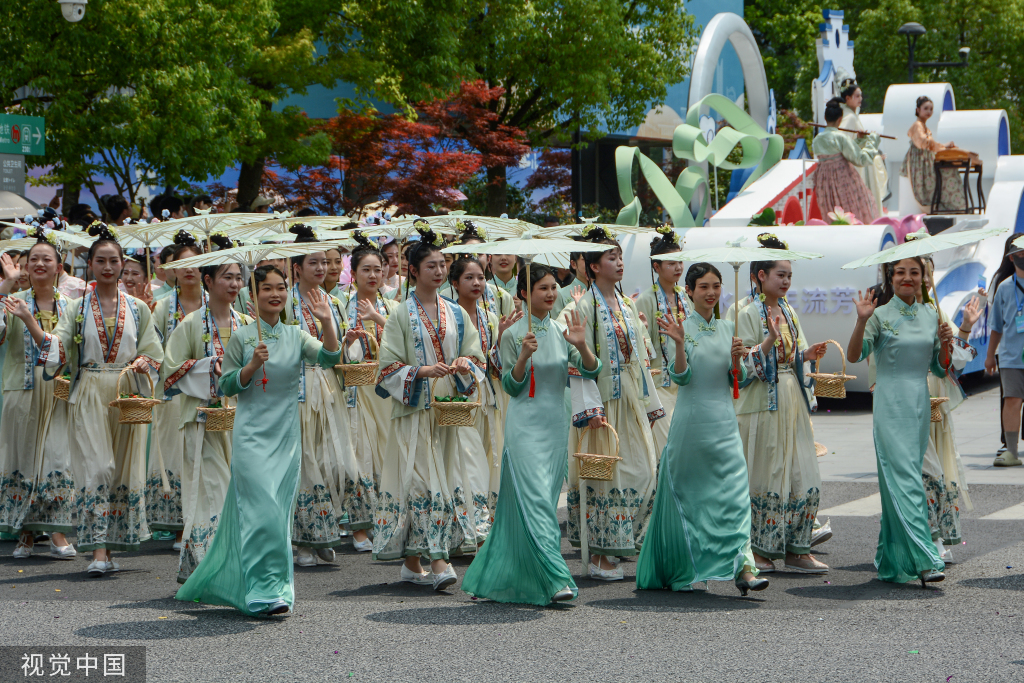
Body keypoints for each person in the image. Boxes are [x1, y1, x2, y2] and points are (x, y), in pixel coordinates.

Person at [176, 265, 340, 616]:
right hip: (250, 436)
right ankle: (260, 590)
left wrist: (326, 322)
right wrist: (250, 366)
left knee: (277, 516)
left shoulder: (296, 336)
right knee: (261, 513)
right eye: (266, 288)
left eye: (281, 287)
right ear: (255, 294)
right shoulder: (243, 337)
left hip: (286, 439)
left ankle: (274, 589)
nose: (275, 294)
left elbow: (329, 358)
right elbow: (227, 385)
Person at [461, 264, 600, 605]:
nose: (551, 294)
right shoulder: (512, 336)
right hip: (524, 427)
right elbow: (511, 385)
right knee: (537, 502)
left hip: (555, 426)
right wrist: (523, 355)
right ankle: (555, 578)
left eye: (554, 287)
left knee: (539, 501)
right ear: (525, 293)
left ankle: (498, 574)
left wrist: (581, 346)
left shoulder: (561, 330)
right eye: (543, 288)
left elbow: (591, 370)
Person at [36, 222, 164, 577]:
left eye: (114, 261)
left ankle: (110, 548)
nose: (108, 267)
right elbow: (58, 345)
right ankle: (96, 550)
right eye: (101, 261)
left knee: (123, 471)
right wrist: (34, 330)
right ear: (89, 264)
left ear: (123, 265)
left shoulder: (138, 308)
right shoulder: (76, 308)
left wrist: (143, 361)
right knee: (98, 469)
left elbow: (154, 351)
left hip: (126, 389)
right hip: (90, 389)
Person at [636, 263, 767, 595]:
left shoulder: (728, 328)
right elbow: (681, 377)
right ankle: (689, 567)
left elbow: (735, 380)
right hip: (692, 424)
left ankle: (744, 568)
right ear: (690, 291)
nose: (711, 292)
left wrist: (741, 359)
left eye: (717, 286)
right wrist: (679, 344)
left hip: (724, 423)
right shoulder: (680, 328)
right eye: (704, 287)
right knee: (694, 500)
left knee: (736, 496)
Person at [372, 222, 485, 591]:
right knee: (424, 484)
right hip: (415, 411)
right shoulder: (400, 315)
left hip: (447, 411)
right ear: (413, 271)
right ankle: (439, 561)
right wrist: (420, 370)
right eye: (431, 266)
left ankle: (411, 562)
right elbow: (385, 366)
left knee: (437, 482)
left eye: (442, 265)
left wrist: (466, 364)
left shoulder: (456, 313)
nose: (438, 271)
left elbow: (476, 354)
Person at [848, 257, 953, 586]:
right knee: (907, 481)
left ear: (923, 278)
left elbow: (939, 368)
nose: (907, 278)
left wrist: (946, 343)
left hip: (919, 405)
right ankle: (925, 559)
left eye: (914, 272)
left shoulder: (930, 314)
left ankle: (892, 559)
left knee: (902, 482)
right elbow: (854, 356)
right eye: (900, 272)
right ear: (890, 278)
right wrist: (861, 322)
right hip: (890, 405)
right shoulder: (879, 314)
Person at [568, 226, 662, 580]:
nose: (619, 262)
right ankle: (602, 555)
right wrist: (590, 409)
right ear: (593, 266)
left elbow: (641, 359)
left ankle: (621, 542)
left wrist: (651, 405)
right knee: (608, 475)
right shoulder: (583, 305)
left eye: (620, 256)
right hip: (604, 405)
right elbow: (577, 367)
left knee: (645, 470)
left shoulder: (626, 304)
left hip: (632, 400)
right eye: (611, 257)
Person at [736, 233, 829, 574]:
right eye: (781, 274)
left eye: (789, 275)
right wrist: (768, 342)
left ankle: (798, 547)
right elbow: (743, 367)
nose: (787, 281)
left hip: (791, 397)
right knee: (766, 474)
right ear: (761, 275)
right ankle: (760, 550)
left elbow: (794, 356)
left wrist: (807, 353)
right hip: (761, 403)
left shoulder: (788, 310)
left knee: (803, 473)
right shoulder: (742, 312)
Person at [283, 225, 368, 567]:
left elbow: (342, 353)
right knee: (303, 464)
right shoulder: (284, 301)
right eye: (313, 262)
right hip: (297, 389)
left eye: (325, 262)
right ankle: (304, 541)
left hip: (330, 388)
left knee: (333, 462)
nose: (321, 268)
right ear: (297, 267)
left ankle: (322, 530)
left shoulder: (335, 301)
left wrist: (349, 343)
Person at [161, 259, 251, 583]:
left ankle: (203, 566)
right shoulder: (190, 324)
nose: (234, 284)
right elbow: (169, 371)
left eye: (238, 278)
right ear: (208, 281)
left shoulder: (247, 324)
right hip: (203, 422)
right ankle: (216, 568)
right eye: (227, 277)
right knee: (214, 492)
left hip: (241, 422)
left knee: (239, 494)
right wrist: (208, 365)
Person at [0, 236, 76, 559]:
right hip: (21, 390)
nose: (40, 264)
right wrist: (6, 286)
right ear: (25, 268)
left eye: (47, 259)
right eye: (34, 260)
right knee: (23, 460)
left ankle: (56, 530)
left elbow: (67, 350)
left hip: (59, 393)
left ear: (60, 268)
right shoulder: (11, 300)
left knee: (57, 459)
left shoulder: (72, 307)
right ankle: (26, 533)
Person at [449, 256, 521, 542]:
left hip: (490, 397)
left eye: (480, 277)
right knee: (465, 462)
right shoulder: (448, 318)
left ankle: (488, 523)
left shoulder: (491, 318)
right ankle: (465, 528)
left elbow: (498, 365)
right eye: (469, 278)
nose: (477, 283)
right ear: (454, 283)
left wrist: (502, 339)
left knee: (492, 457)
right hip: (458, 399)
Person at [147, 231, 207, 550]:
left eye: (196, 263)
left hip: (211, 390)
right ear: (172, 270)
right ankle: (179, 525)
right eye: (182, 264)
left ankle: (204, 521)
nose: (189, 269)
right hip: (173, 391)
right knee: (176, 453)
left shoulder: (218, 302)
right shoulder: (162, 307)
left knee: (207, 453)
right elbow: (154, 348)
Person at [920, 257, 980, 561]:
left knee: (940, 467)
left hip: (937, 398)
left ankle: (937, 535)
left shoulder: (936, 310)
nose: (924, 280)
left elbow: (954, 361)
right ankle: (925, 535)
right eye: (917, 273)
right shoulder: (891, 313)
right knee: (922, 469)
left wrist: (965, 328)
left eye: (928, 274)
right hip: (910, 395)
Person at [342, 234, 397, 532]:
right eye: (366, 269)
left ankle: (387, 519)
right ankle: (361, 526)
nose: (374, 275)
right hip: (355, 391)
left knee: (387, 452)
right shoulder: (341, 306)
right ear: (353, 274)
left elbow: (406, 342)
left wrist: (377, 317)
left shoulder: (391, 307)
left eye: (378, 269)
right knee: (361, 453)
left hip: (386, 389)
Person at [635, 226, 691, 455]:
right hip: (659, 384)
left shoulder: (685, 296)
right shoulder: (646, 300)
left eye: (679, 261)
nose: (678, 267)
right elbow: (641, 344)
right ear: (656, 267)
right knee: (668, 446)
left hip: (685, 381)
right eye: (670, 263)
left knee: (685, 442)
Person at [985, 238, 1024, 466]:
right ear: (1012, 257)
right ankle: (1011, 451)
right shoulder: (1005, 287)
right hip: (1010, 356)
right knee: (1012, 400)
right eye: (1020, 253)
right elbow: (996, 326)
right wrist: (990, 356)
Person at [812, 97, 880, 223]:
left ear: (825, 118)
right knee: (850, 213)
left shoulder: (817, 139)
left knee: (831, 215)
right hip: (842, 180)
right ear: (840, 120)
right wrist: (872, 142)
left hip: (824, 182)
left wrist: (858, 141)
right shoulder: (841, 137)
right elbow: (860, 159)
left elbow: (837, 152)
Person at [901, 96, 966, 213]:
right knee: (947, 170)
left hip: (926, 158)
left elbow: (930, 144)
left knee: (949, 168)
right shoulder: (917, 125)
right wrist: (943, 146)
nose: (929, 111)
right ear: (918, 110)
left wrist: (943, 146)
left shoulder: (923, 126)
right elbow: (924, 143)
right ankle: (950, 206)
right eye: (925, 108)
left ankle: (953, 205)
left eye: (931, 109)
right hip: (920, 161)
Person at [839, 79, 889, 216]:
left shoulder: (851, 116)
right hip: (857, 166)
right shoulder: (849, 118)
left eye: (861, 95)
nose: (860, 99)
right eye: (857, 96)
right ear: (847, 98)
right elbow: (845, 144)